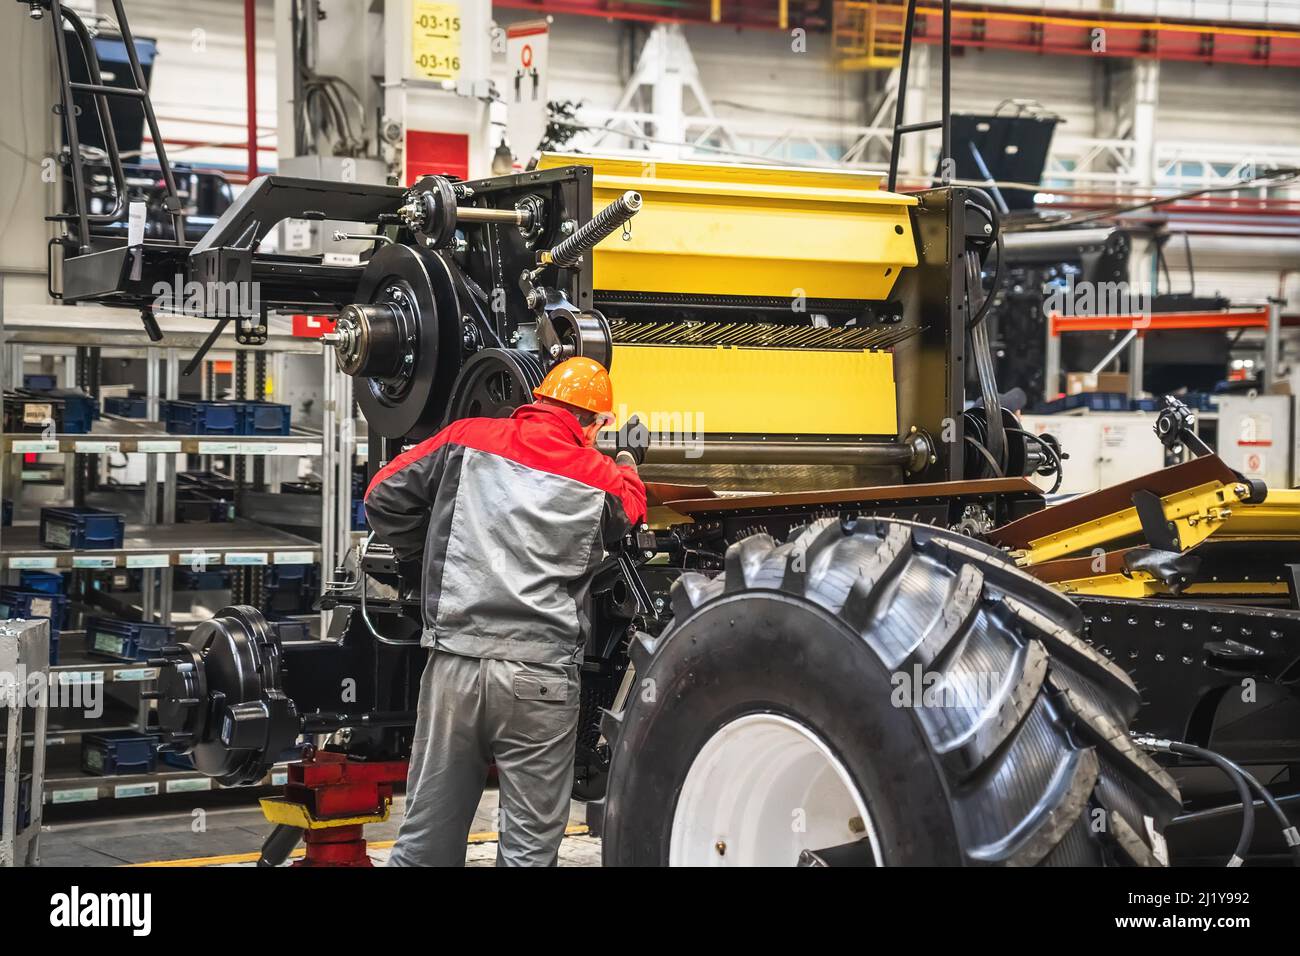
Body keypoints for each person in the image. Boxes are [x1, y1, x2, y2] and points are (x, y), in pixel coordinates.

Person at [364, 356, 648, 866]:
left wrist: (418, 559)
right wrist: (628, 462)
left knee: (424, 843)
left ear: (535, 399)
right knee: (527, 853)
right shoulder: (598, 475)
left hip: (454, 667)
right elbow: (628, 511)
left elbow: (381, 495)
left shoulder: (464, 438)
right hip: (539, 680)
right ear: (592, 424)